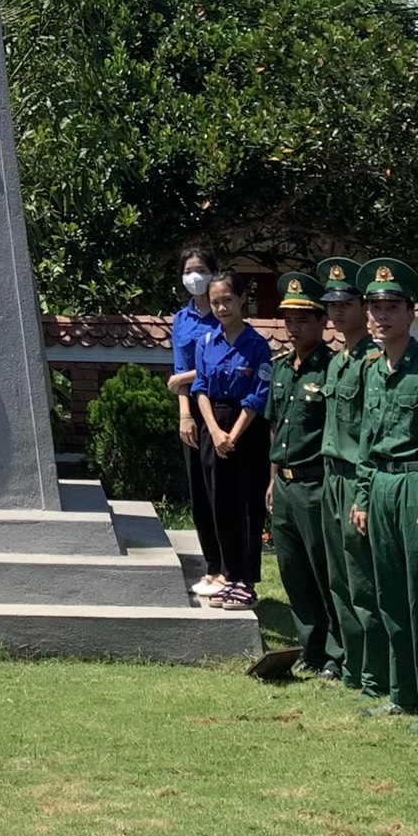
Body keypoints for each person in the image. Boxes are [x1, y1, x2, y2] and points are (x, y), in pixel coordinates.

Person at [354, 258, 418, 729]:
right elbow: (368, 440)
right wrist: (363, 495)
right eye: (374, 306)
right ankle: (401, 690)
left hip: (415, 484)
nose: (381, 316)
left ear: (412, 313)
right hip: (382, 484)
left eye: (392, 306)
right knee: (388, 592)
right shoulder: (371, 369)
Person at [265, 272, 339, 678]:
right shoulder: (280, 368)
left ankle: (334, 655)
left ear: (321, 321)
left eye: (303, 319)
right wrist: (271, 481)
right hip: (285, 484)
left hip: (315, 482)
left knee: (323, 572)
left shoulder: (330, 369)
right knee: (293, 573)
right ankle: (310, 649)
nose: (294, 327)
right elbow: (275, 427)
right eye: (289, 320)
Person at [316, 257, 382, 700]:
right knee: (338, 578)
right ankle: (351, 664)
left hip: (356, 478)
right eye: (332, 306)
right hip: (330, 476)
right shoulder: (337, 360)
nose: (337, 314)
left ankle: (375, 672)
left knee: (363, 582)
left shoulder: (370, 360)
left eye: (346, 305)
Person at [190, 274, 272, 613]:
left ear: (241, 301)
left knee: (247, 504)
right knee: (219, 502)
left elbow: (258, 395)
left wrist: (233, 435)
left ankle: (247, 580)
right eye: (215, 302)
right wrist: (214, 431)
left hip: (246, 429)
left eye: (227, 300)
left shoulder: (257, 344)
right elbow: (200, 388)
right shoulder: (206, 341)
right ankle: (228, 574)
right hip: (214, 426)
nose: (222, 307)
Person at [167, 247, 225, 597]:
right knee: (200, 495)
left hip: (220, 409)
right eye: (189, 270)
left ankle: (227, 568)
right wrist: (184, 414)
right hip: (194, 413)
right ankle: (211, 565)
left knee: (223, 492)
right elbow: (177, 372)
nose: (195, 276)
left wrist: (186, 377)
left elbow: (221, 362)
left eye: (201, 269)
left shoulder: (224, 312)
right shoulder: (182, 319)